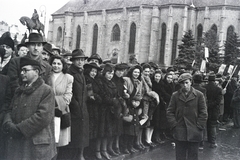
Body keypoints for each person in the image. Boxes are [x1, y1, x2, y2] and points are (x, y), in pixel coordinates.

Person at [2, 57, 56, 160]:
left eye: (25, 70)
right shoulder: (19, 90)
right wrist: (8, 123)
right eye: (21, 70)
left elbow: (42, 117)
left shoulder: (46, 90)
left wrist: (19, 129)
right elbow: (10, 109)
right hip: (18, 143)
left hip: (35, 144)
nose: (22, 73)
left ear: (36, 72)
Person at [167, 73, 208, 160]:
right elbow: (170, 111)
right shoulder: (175, 95)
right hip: (180, 130)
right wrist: (174, 125)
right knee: (180, 156)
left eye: (186, 82)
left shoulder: (199, 95)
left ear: (191, 82)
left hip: (194, 130)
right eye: (182, 83)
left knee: (193, 156)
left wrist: (199, 126)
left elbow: (203, 112)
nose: (184, 85)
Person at [60, 49, 89, 160]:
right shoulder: (70, 73)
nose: (80, 62)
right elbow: (68, 92)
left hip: (82, 107)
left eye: (82, 60)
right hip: (73, 108)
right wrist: (76, 105)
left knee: (81, 134)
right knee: (73, 135)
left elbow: (84, 91)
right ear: (73, 61)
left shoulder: (81, 72)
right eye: (77, 60)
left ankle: (79, 155)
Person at [7, 33, 52, 97]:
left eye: (39, 45)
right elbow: (13, 84)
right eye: (33, 45)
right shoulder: (16, 62)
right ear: (28, 46)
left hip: (38, 101)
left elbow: (48, 89)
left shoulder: (47, 67)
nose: (36, 48)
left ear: (42, 47)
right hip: (19, 99)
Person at [48, 56, 73, 159]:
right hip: (46, 109)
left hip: (60, 110)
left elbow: (68, 95)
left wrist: (56, 102)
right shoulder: (47, 76)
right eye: (54, 63)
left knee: (58, 138)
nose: (56, 66)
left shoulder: (68, 77)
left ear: (63, 66)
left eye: (59, 64)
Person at [83, 62, 103, 159]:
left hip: (96, 109)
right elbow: (91, 96)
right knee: (89, 131)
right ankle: (87, 153)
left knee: (94, 131)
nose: (93, 73)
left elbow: (100, 95)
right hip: (89, 108)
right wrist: (97, 97)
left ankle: (91, 152)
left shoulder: (97, 81)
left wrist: (98, 97)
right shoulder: (87, 80)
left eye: (95, 71)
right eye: (92, 71)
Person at [204, 73, 222, 148]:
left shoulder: (204, 87)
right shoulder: (218, 89)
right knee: (212, 125)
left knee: (205, 124)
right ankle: (212, 141)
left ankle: (205, 139)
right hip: (214, 109)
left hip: (205, 108)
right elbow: (218, 101)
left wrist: (207, 105)